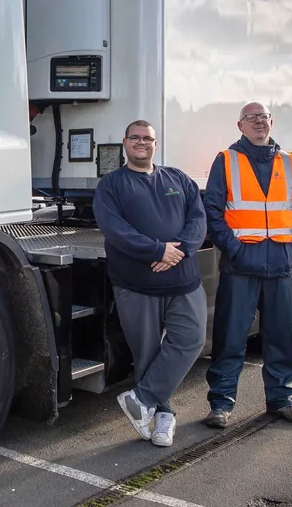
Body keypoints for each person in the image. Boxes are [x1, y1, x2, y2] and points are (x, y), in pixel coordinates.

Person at [92, 120, 209, 447]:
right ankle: (163, 417)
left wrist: (181, 250)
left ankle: (141, 398)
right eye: (135, 138)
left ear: (155, 144)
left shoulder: (177, 179)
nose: (142, 143)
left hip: (183, 280)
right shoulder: (112, 185)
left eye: (148, 138)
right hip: (136, 284)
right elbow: (115, 230)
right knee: (147, 355)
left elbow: (197, 220)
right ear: (125, 142)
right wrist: (157, 250)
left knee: (191, 338)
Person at [201, 102, 292, 428]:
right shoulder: (226, 161)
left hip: (281, 267)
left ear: (271, 122)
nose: (258, 123)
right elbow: (214, 213)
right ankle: (221, 405)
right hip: (241, 267)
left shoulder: (291, 163)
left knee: (281, 338)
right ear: (240, 126)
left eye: (263, 117)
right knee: (230, 338)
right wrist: (236, 251)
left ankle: (282, 401)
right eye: (251, 118)